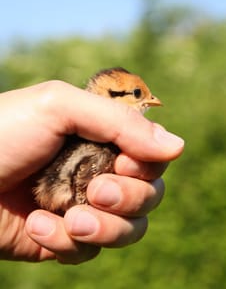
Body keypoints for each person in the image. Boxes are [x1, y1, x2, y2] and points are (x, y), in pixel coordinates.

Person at [0, 80, 184, 264]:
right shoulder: (91, 136)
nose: (151, 100)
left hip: (43, 200)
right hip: (54, 197)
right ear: (111, 95)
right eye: (137, 94)